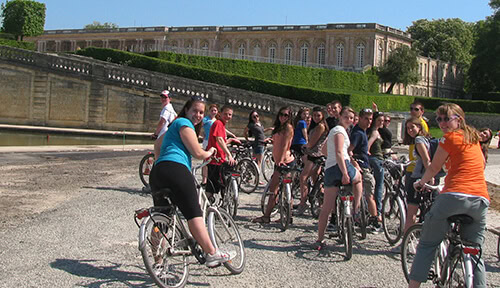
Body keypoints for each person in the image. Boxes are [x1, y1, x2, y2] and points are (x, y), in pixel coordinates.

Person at [408, 103, 490, 288]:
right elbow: (482, 165)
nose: (442, 123)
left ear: (458, 120)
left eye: (447, 119)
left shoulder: (450, 138)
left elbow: (434, 167)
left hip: (454, 196)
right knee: (475, 252)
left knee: (428, 244)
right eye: (439, 119)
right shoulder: (474, 138)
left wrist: (421, 182)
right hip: (480, 199)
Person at [149, 96, 233, 267]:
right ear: (186, 110)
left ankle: (157, 261)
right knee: (193, 214)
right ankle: (212, 253)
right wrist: (209, 152)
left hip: (158, 172)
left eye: (201, 112)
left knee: (161, 219)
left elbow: (157, 145)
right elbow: (197, 153)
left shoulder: (173, 125)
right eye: (195, 110)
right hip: (176, 170)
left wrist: (162, 163)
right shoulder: (184, 124)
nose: (198, 115)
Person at [315, 106, 363, 247]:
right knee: (359, 177)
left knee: (327, 208)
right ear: (340, 117)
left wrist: (331, 158)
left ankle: (320, 239)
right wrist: (344, 172)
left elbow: (323, 150)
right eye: (346, 117)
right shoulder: (341, 131)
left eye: (351, 118)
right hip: (342, 165)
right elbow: (339, 153)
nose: (349, 120)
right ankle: (356, 209)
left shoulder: (333, 131)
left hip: (330, 169)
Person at [252, 106, 295, 223]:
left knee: (274, 189)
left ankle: (266, 216)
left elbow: (285, 145)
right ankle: (287, 216)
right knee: (285, 190)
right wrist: (270, 140)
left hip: (284, 161)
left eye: (286, 115)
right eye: (281, 114)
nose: (283, 117)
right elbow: (279, 141)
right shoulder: (280, 127)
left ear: (289, 117)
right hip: (281, 161)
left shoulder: (288, 128)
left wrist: (280, 161)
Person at [401, 116, 437, 234]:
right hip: (427, 177)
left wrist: (429, 177)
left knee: (411, 211)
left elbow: (426, 160)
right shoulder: (427, 139)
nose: (410, 130)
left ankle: (405, 240)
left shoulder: (418, 140)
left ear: (419, 127)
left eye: (412, 127)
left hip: (418, 178)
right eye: (407, 128)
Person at [348, 108, 380, 232]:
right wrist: (354, 162)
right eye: (366, 118)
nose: (368, 121)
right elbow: (349, 149)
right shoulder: (358, 133)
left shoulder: (361, 131)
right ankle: (374, 219)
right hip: (362, 166)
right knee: (369, 194)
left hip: (363, 163)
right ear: (360, 118)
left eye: (370, 119)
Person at [295, 107, 329, 215]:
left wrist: (305, 146)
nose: (315, 117)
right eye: (314, 115)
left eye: (318, 115)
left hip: (314, 155)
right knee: (315, 180)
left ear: (323, 115)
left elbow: (312, 142)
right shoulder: (317, 125)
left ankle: (303, 203)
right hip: (315, 154)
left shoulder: (320, 126)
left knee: (303, 178)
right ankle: (320, 203)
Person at [206, 105, 241, 196]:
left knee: (219, 184)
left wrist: (231, 140)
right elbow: (219, 140)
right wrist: (229, 155)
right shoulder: (218, 123)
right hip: (214, 160)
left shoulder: (221, 125)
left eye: (230, 114)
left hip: (219, 159)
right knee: (212, 187)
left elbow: (221, 142)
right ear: (220, 114)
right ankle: (206, 206)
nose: (227, 116)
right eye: (225, 114)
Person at [405, 101, 429, 213]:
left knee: (412, 202)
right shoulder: (413, 124)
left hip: (415, 167)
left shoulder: (421, 124)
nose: (413, 111)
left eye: (416, 109)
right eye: (411, 109)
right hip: (413, 164)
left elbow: (425, 156)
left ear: (422, 111)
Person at [367, 111, 385, 223]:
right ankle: (378, 211)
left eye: (382, 120)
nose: (381, 122)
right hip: (377, 159)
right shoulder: (374, 132)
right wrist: (368, 152)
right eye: (379, 120)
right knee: (379, 186)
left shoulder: (373, 131)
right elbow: (368, 146)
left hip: (375, 158)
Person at [152, 90, 177, 159]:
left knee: (157, 149)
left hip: (164, 134)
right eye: (162, 97)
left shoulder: (167, 109)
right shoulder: (171, 109)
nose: (163, 99)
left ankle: (157, 166)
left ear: (170, 99)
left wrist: (156, 134)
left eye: (165, 98)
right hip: (170, 135)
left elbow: (162, 122)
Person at [201, 104, 218, 185]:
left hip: (214, 141)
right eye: (212, 110)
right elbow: (198, 126)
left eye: (215, 110)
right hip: (207, 141)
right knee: (205, 160)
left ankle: (210, 177)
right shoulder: (205, 119)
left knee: (212, 159)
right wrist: (202, 134)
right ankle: (204, 178)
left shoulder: (216, 120)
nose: (213, 112)